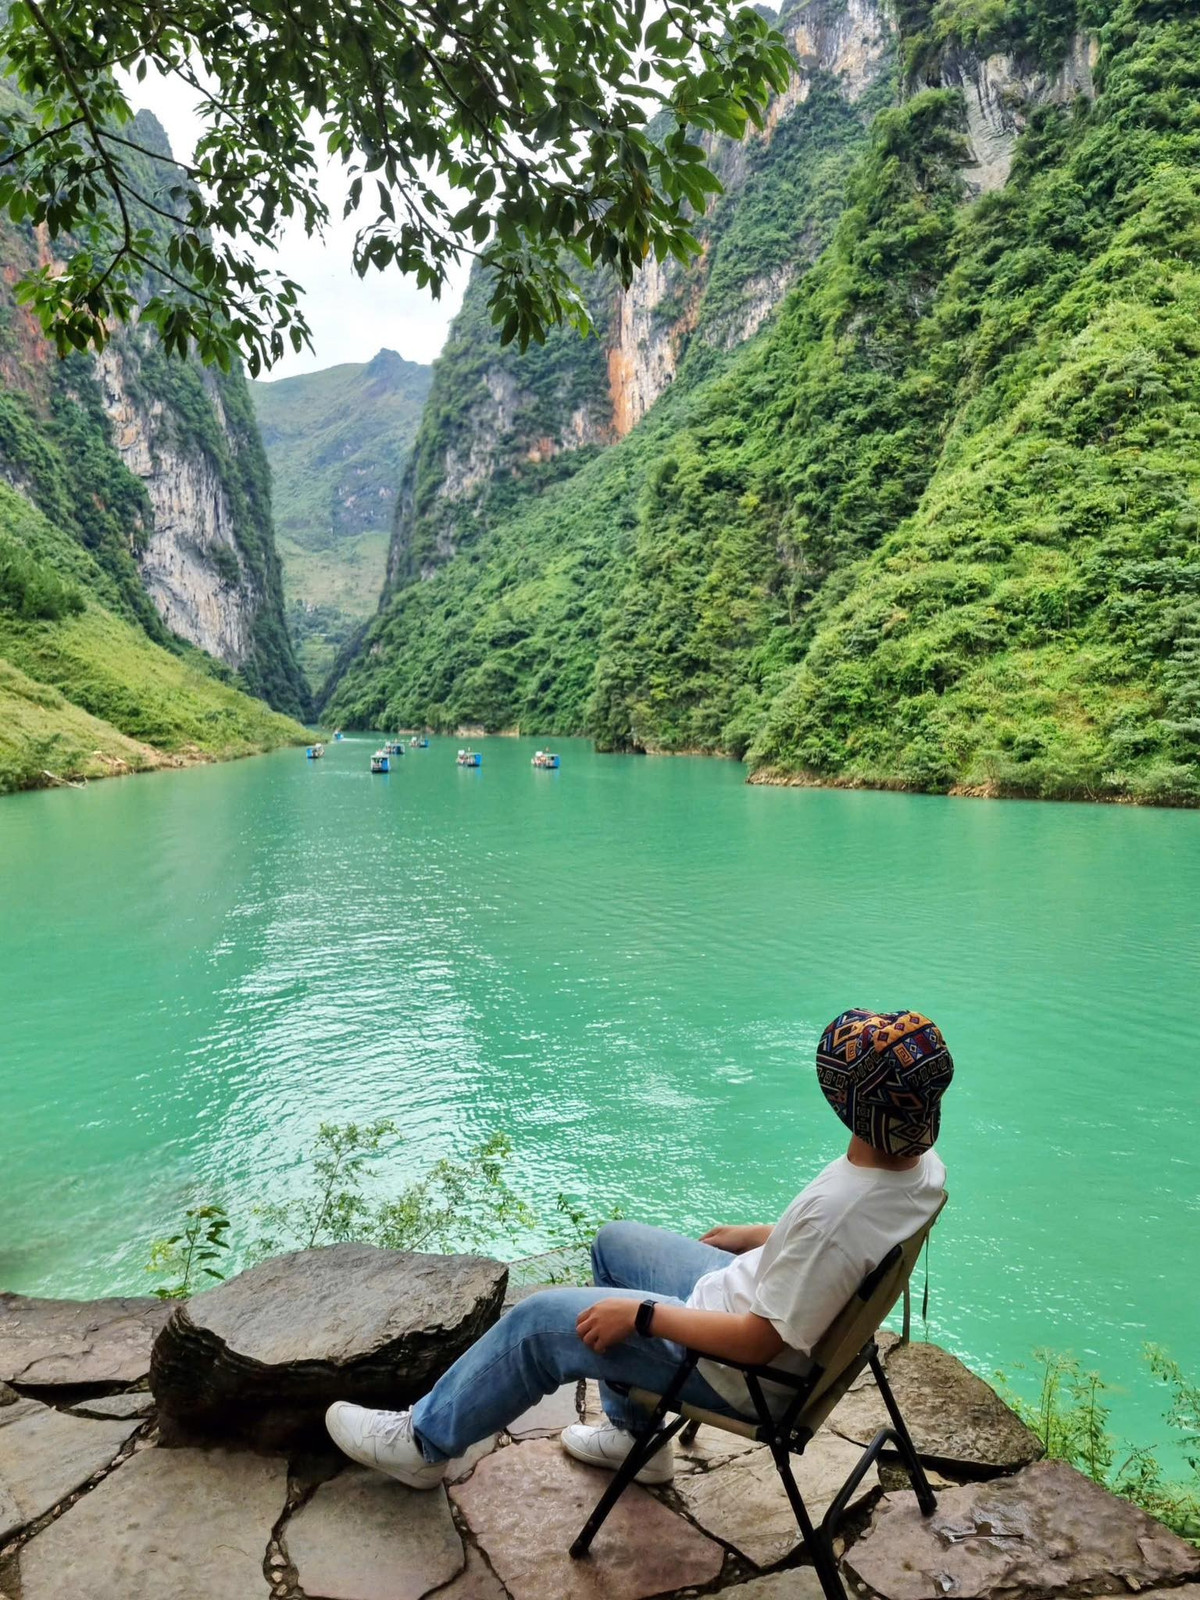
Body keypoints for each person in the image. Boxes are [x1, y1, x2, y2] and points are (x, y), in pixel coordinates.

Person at [325, 1008, 954, 1488]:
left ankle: (423, 1443)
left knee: (540, 1324)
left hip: (741, 1369)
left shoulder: (831, 1215)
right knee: (614, 1242)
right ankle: (636, 1440)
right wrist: (766, 1237)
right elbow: (840, 1253)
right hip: (761, 1295)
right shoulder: (922, 1169)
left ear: (845, 1101)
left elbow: (762, 1342)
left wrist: (642, 1316)